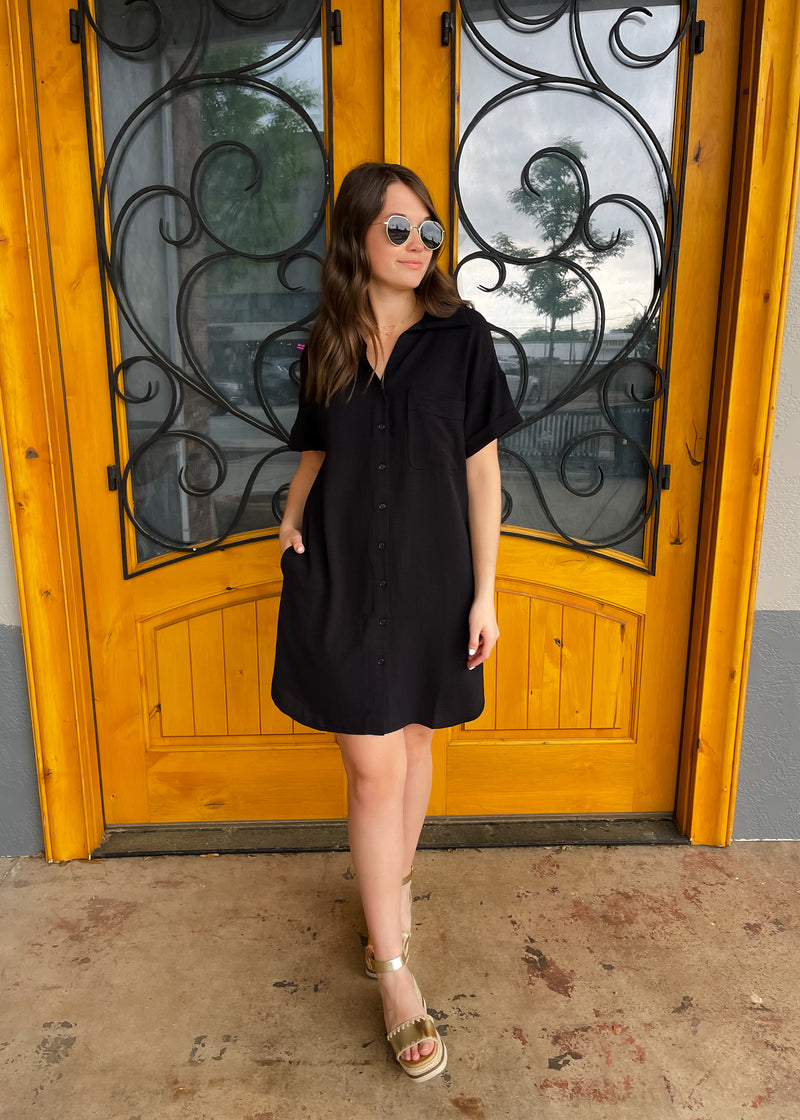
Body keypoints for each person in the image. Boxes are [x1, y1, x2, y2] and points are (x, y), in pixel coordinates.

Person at [272, 162, 521, 1082]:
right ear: (357, 238)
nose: (419, 246)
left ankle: (394, 895)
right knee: (373, 768)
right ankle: (394, 973)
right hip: (341, 572)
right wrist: (291, 512)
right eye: (399, 229)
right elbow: (317, 448)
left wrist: (485, 593)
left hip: (433, 579)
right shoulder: (328, 341)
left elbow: (483, 474)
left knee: (415, 742)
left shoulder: (462, 338)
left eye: (430, 231)